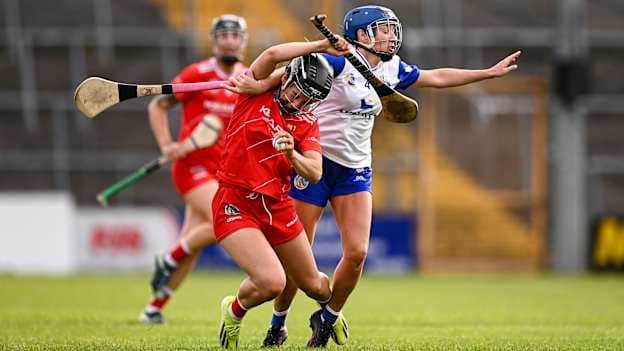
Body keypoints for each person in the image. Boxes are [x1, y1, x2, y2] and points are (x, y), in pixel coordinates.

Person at [252, 5, 522, 348]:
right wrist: (255, 85)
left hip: (355, 171)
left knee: (357, 253)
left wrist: (487, 73)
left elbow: (436, 77)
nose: (391, 35)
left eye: (393, 29)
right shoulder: (335, 62)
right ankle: (278, 323)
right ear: (362, 34)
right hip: (314, 164)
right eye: (383, 29)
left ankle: (327, 317)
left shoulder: (393, 69)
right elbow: (285, 76)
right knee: (297, 258)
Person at [211, 37, 350, 350]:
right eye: (297, 93)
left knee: (314, 285)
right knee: (273, 282)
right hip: (235, 201)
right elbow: (271, 53)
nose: (299, 103)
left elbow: (314, 171)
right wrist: (319, 45)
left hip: (277, 206)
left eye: (308, 100)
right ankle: (233, 313)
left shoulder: (306, 123)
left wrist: (291, 155)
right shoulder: (252, 93)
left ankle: (331, 313)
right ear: (286, 78)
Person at [139, 14, 250, 324]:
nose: (229, 40)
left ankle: (154, 308)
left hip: (226, 173)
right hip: (193, 167)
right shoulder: (197, 74)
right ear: (214, 42)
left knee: (193, 242)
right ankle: (170, 256)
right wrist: (166, 145)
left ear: (244, 42)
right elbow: (157, 105)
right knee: (225, 220)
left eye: (235, 35)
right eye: (223, 35)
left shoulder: (247, 77)